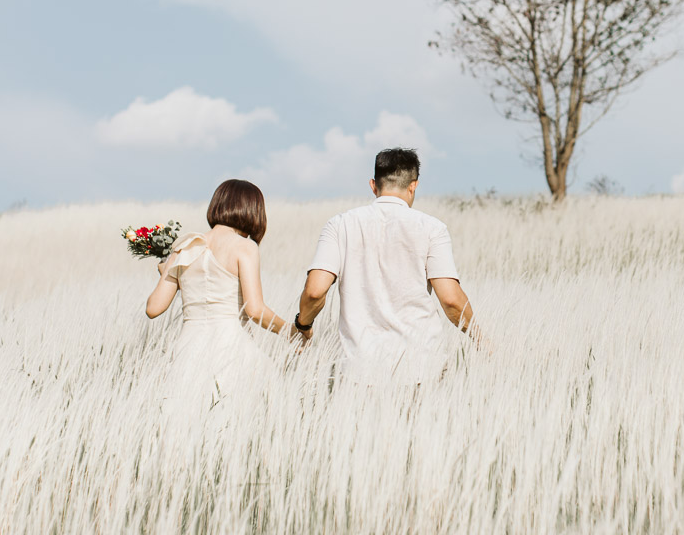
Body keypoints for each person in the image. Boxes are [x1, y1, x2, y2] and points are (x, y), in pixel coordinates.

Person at [294, 148, 478, 384]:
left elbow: (314, 291)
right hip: (421, 367)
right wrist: (480, 339)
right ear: (414, 186)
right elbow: (451, 300)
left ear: (373, 185)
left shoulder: (339, 225)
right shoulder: (433, 228)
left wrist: (303, 326)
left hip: (358, 371)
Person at [145, 179, 296, 419]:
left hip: (187, 349)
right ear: (252, 211)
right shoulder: (244, 247)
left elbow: (153, 308)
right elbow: (254, 309)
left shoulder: (183, 246)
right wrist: (290, 331)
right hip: (230, 346)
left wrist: (168, 275)